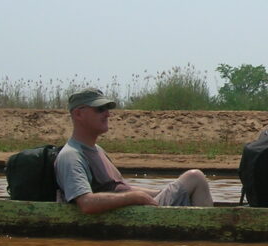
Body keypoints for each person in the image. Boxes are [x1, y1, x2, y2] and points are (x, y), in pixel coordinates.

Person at [54, 88, 213, 214]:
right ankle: (209, 241)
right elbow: (86, 203)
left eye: (107, 109)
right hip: (134, 214)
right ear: (78, 114)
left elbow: (121, 188)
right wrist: (133, 198)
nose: (107, 114)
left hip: (137, 210)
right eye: (100, 109)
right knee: (195, 177)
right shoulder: (71, 156)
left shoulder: (97, 150)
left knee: (194, 180)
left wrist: (157, 192)